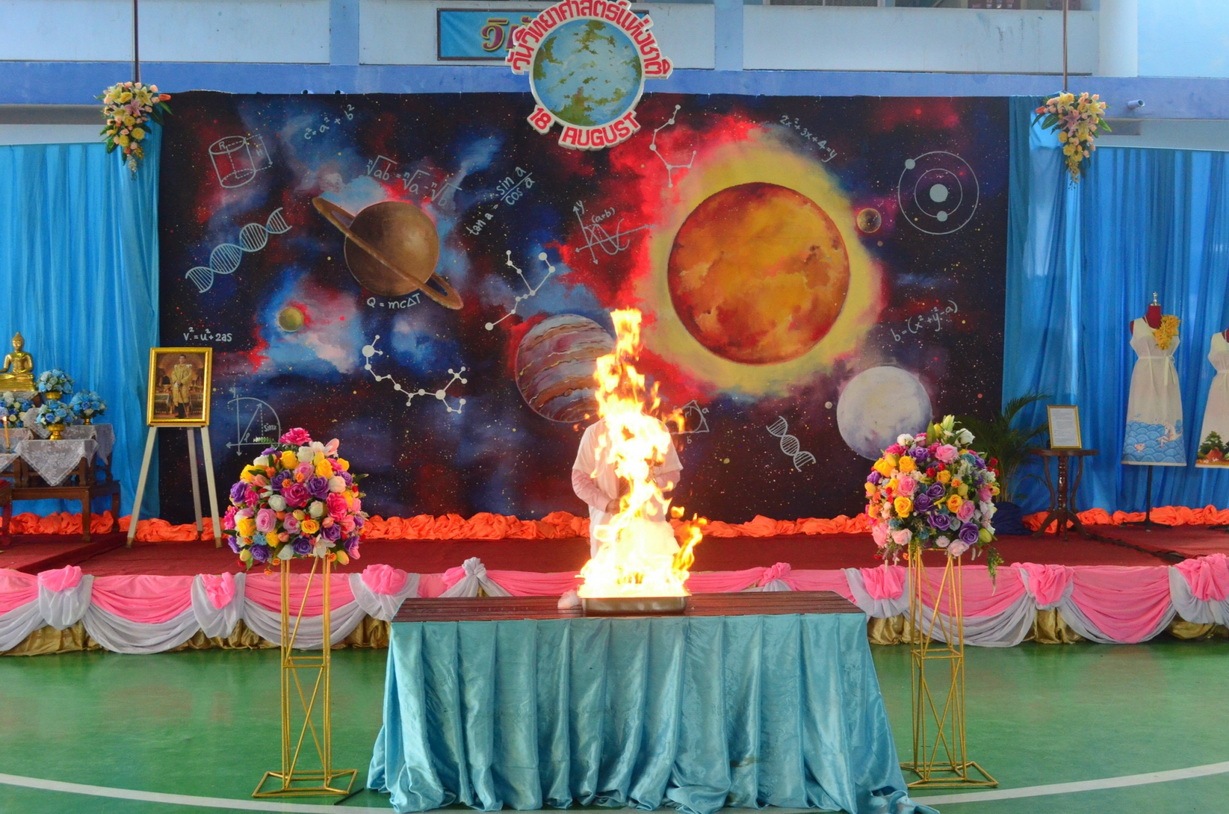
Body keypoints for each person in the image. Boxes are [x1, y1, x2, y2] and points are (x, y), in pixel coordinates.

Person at [572, 415, 682, 557]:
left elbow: (673, 474)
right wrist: (607, 504)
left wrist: (653, 483)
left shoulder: (657, 428)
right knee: (608, 569)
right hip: (608, 528)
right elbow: (579, 481)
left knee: (650, 568)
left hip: (649, 528)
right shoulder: (594, 432)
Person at [169, 354, 197, 418]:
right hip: (177, 385)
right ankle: (179, 414)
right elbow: (173, 374)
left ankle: (182, 414)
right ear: (179, 360)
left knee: (183, 399)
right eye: (180, 358)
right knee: (177, 399)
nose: (181, 360)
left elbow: (189, 376)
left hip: (184, 386)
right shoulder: (176, 368)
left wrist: (182, 382)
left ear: (185, 359)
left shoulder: (188, 368)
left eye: (182, 358)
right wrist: (176, 381)